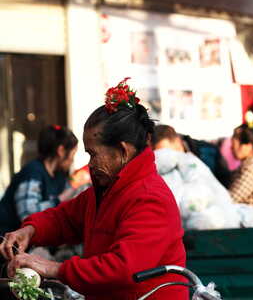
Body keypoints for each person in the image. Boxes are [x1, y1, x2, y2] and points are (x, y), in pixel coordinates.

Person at [0, 78, 188, 300]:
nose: (89, 163)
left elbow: (122, 268)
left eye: (93, 154)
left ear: (122, 151)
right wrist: (31, 231)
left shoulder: (150, 198)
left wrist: (53, 268)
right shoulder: (106, 191)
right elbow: (65, 218)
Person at [0, 125, 78, 237]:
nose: (72, 160)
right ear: (61, 151)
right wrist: (60, 199)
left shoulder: (59, 175)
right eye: (72, 154)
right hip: (8, 242)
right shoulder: (33, 172)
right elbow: (27, 215)